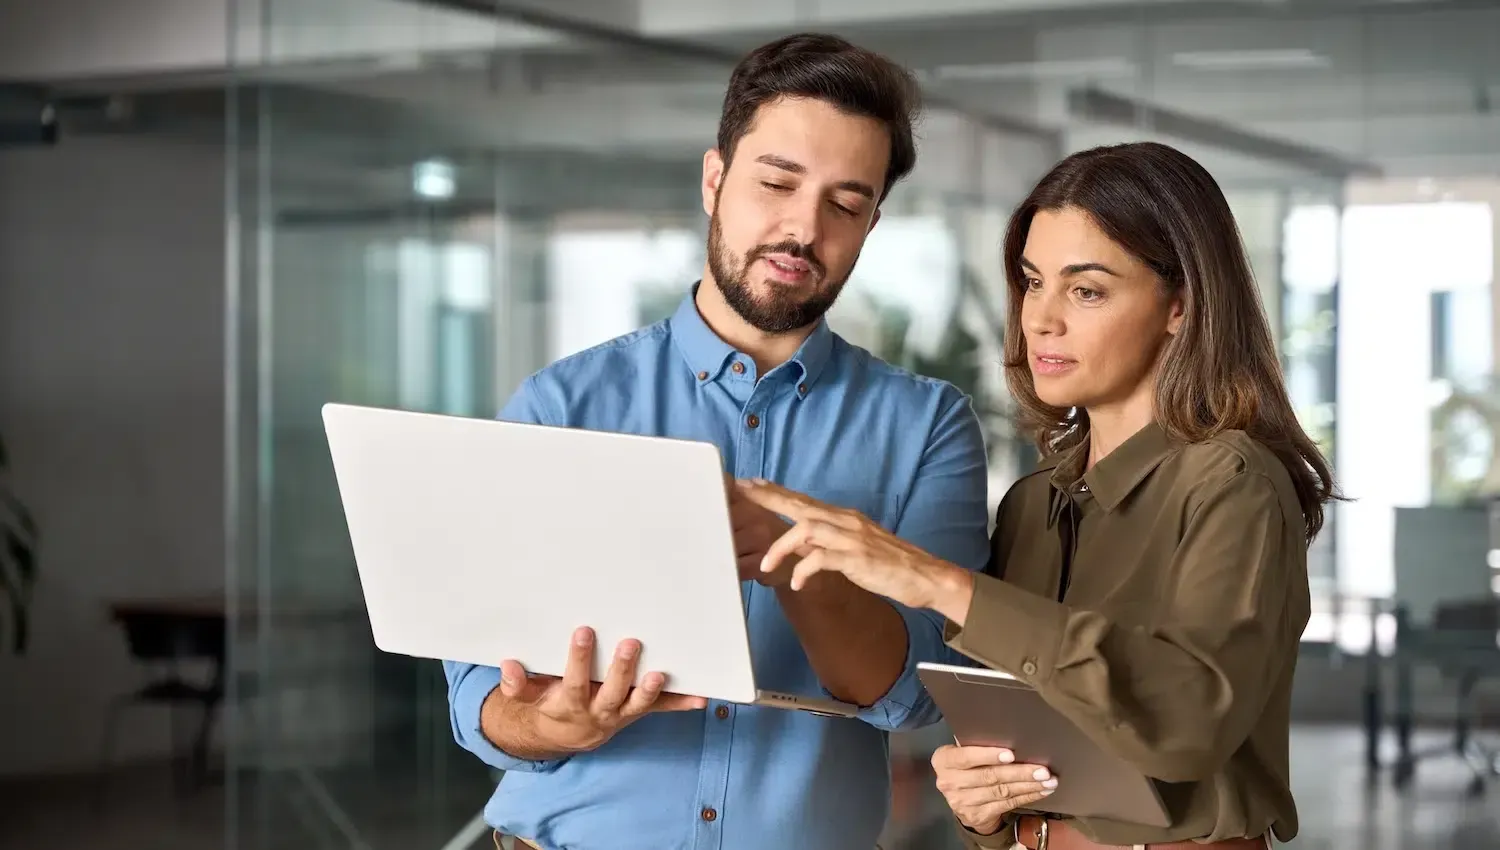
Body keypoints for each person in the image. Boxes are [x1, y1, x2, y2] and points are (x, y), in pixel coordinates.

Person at [440, 33, 994, 850]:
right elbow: (476, 697)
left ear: (873, 222)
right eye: (776, 183)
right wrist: (550, 724)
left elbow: (918, 694)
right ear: (714, 180)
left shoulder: (927, 426)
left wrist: (792, 551)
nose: (802, 229)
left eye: (845, 204)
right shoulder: (562, 405)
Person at [739, 140, 1337, 850]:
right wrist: (983, 803)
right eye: (1032, 282)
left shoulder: (1233, 482)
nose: (1041, 318)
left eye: (1086, 290)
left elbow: (1185, 726)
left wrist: (938, 582)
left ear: (1180, 305)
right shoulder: (1032, 505)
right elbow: (1025, 749)